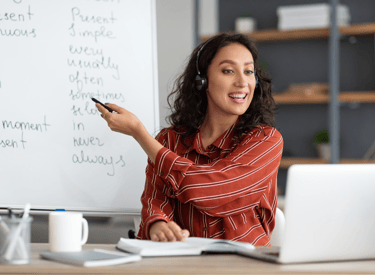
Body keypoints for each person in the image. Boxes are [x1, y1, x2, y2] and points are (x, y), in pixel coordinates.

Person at [95, 32, 283, 246]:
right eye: (228, 70)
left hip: (245, 264)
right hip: (184, 263)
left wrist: (140, 134)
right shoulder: (169, 141)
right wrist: (158, 225)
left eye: (249, 71)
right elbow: (155, 202)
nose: (242, 82)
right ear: (202, 81)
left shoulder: (266, 140)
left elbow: (214, 191)